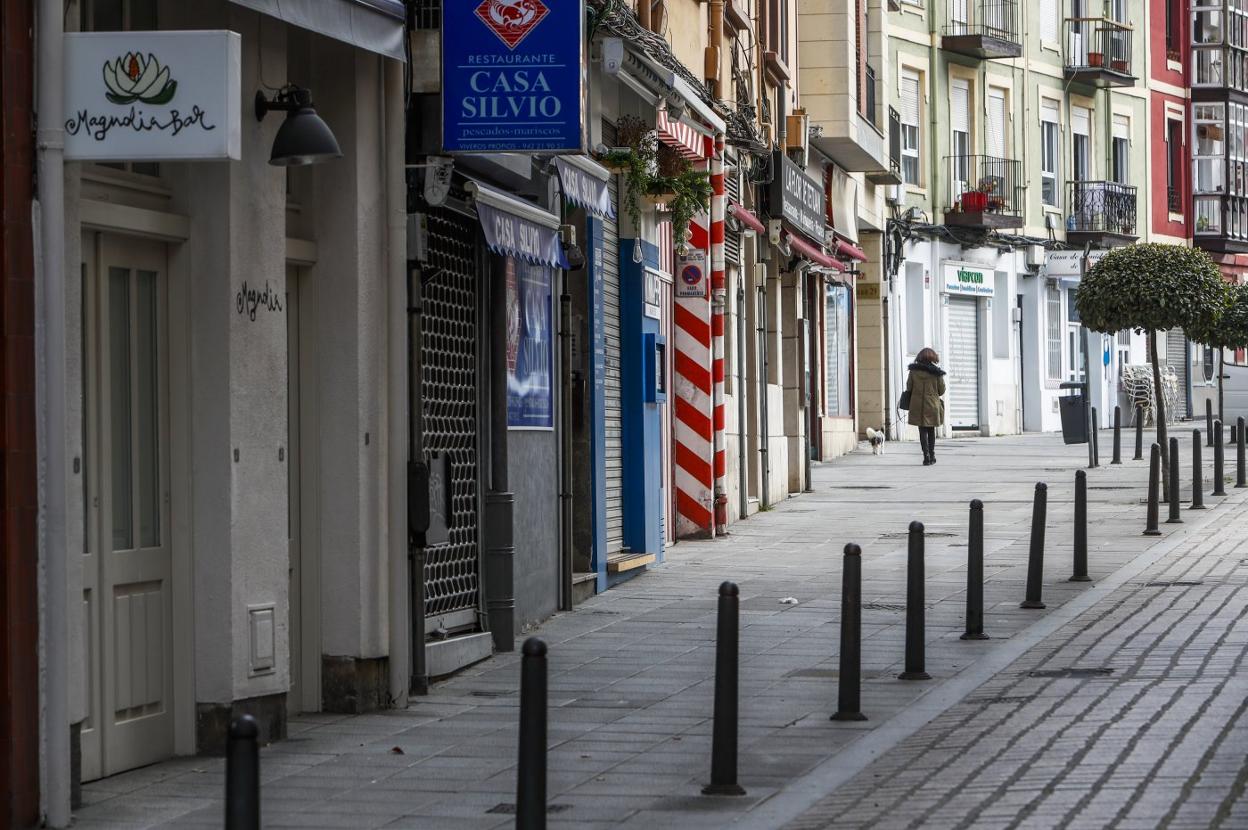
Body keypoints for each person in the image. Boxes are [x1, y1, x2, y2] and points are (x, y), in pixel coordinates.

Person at [906, 348, 946, 465]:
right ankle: (932, 455)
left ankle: (926, 456)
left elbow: (909, 387)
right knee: (931, 430)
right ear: (933, 358)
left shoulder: (913, 371)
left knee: (922, 430)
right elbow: (941, 390)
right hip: (932, 405)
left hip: (917, 404)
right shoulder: (936, 373)